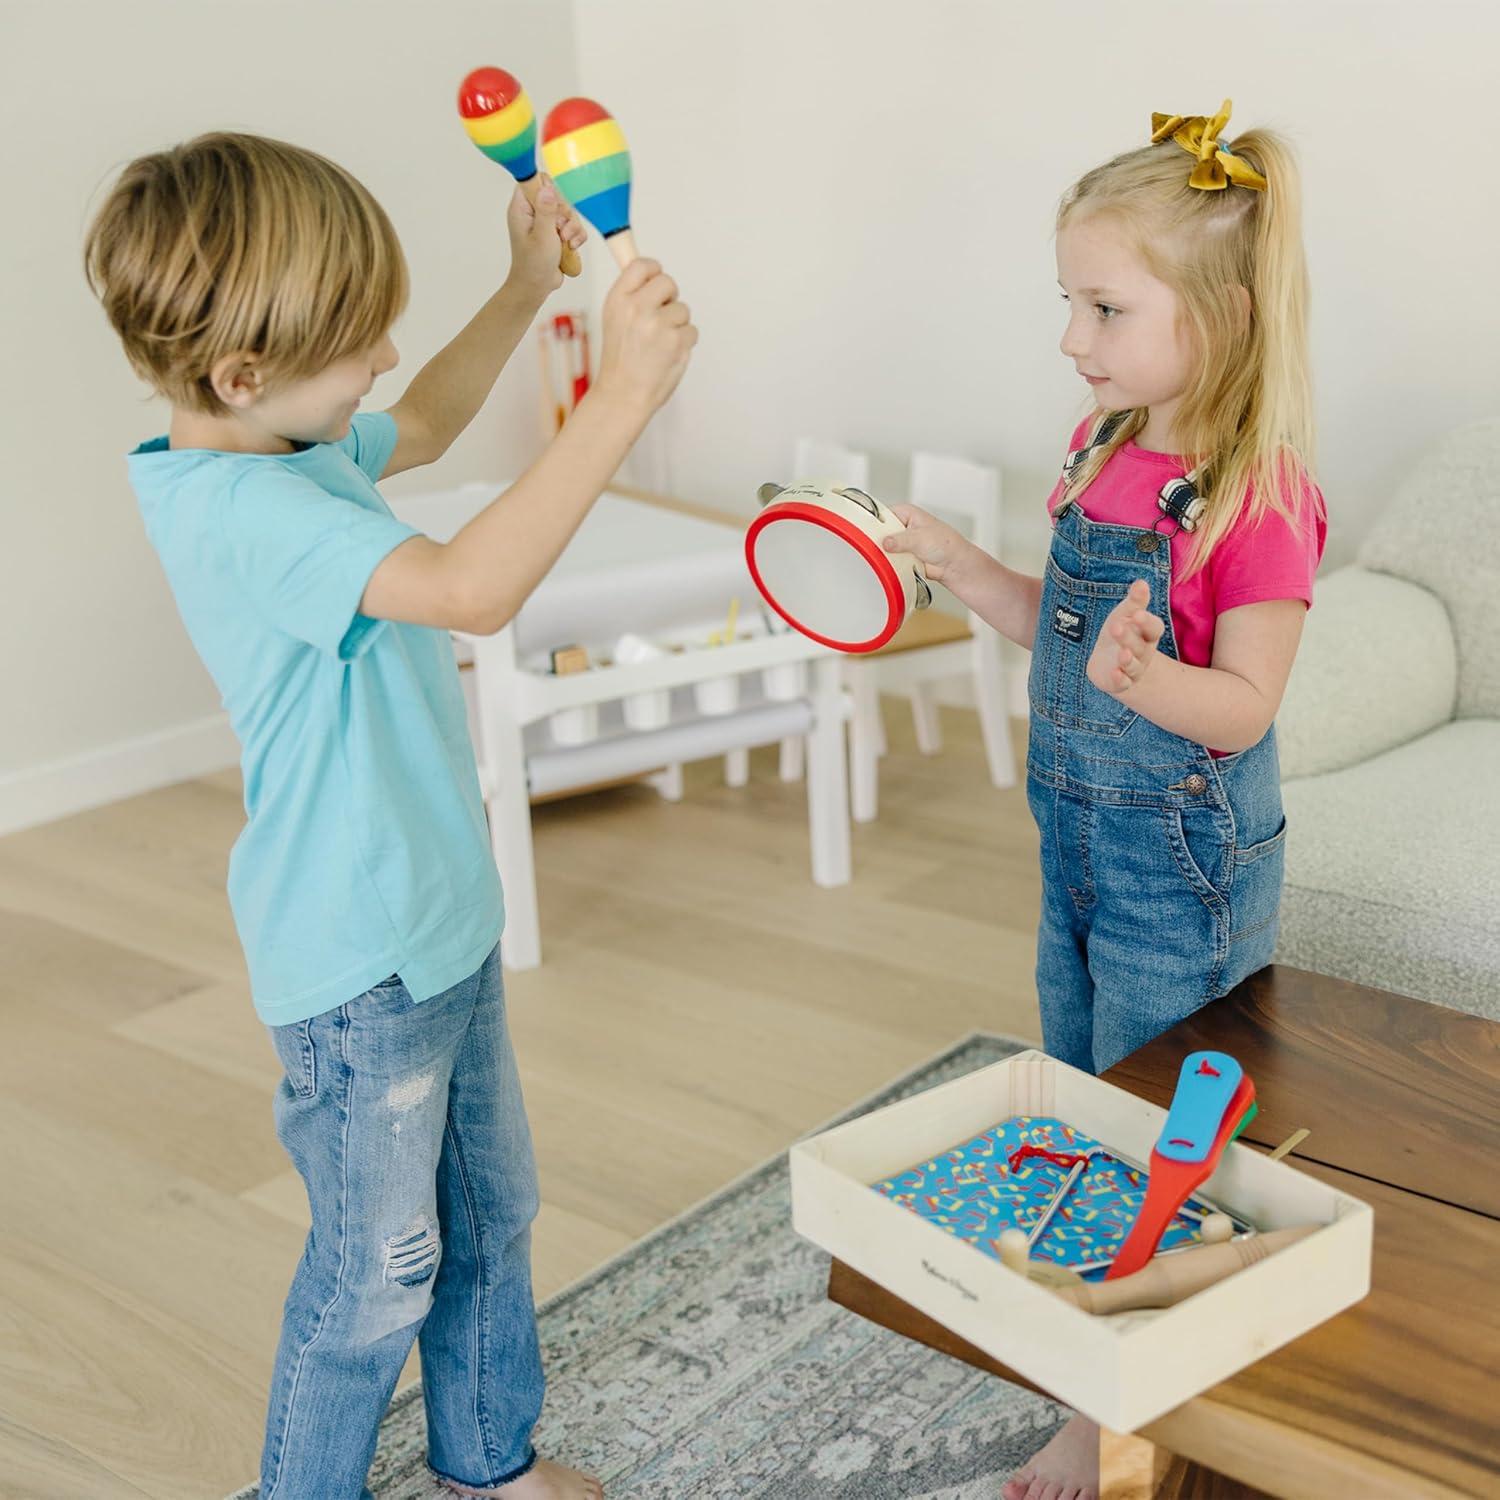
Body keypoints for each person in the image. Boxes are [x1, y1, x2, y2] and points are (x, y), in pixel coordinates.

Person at [84, 130, 696, 1500]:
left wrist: (525, 286)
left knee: (491, 1216)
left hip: (434, 917)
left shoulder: (283, 444)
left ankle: (489, 1463)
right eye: (358, 341)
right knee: (376, 1274)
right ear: (241, 377)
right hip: (357, 963)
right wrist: (618, 399)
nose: (380, 359)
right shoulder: (247, 507)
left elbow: (417, 425)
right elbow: (473, 585)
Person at [885, 101, 1326, 1500]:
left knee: (1168, 1136)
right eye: (1068, 303)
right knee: (1086, 1104)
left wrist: (1150, 683)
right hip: (1070, 851)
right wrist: (964, 566)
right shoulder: (1100, 451)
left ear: (1223, 316)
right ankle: (1104, 1342)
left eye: (1103, 307)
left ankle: (1129, 1410)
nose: (1073, 338)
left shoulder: (1255, 500)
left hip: (1175, 865)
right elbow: (1057, 625)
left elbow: (1246, 705)